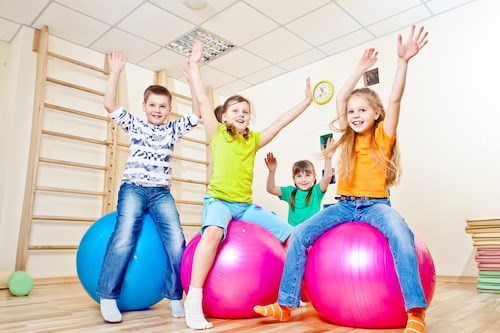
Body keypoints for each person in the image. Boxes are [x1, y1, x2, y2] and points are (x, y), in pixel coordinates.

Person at [254, 25, 429, 333]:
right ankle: (285, 305)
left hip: (376, 205)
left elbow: (396, 100)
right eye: (351, 111)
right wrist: (358, 69)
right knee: (299, 236)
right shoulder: (346, 138)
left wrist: (402, 62)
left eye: (362, 110)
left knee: (401, 235)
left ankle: (415, 311)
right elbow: (339, 102)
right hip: (344, 205)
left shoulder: (383, 136)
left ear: (376, 113)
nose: (354, 115)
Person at [184, 39, 312, 330]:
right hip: (218, 201)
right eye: (235, 110)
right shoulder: (217, 134)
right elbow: (203, 101)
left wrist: (306, 102)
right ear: (224, 116)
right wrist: (194, 67)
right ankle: (194, 297)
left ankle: (296, 291)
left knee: (291, 235)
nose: (241, 114)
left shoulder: (252, 141)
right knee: (214, 232)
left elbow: (280, 122)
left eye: (245, 111)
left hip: (244, 207)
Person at [96, 50, 200, 323]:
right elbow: (109, 104)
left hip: (160, 193)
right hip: (134, 187)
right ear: (144, 106)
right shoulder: (136, 125)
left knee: (177, 241)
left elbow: (198, 113)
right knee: (124, 235)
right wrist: (115, 72)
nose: (157, 110)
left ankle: (175, 296)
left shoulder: (172, 130)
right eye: (153, 105)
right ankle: (108, 295)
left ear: (169, 110)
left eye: (163, 106)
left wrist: (192, 78)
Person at [264, 138, 334, 227]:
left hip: (311, 231)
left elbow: (327, 176)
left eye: (307, 175)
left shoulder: (316, 191)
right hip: (294, 233)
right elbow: (271, 189)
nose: (303, 179)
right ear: (294, 179)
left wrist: (328, 158)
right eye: (299, 176)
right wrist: (271, 171)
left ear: (314, 177)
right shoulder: (290, 192)